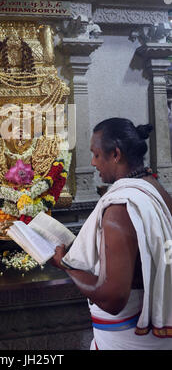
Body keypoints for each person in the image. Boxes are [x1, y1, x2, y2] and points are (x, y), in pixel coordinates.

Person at [51, 118, 172, 350]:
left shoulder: (120, 209)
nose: (93, 163)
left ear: (116, 154)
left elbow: (112, 298)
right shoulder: (156, 190)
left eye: (96, 154)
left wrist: (64, 265)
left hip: (128, 339)